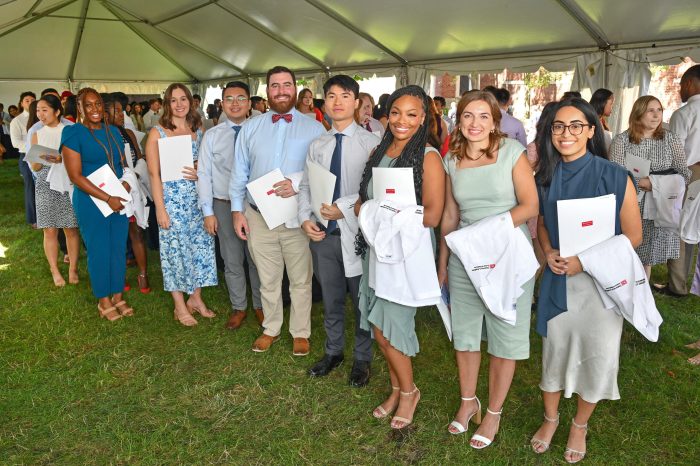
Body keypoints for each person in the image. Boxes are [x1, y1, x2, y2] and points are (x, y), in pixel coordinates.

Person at [530, 98, 642, 463]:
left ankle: (579, 424)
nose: (566, 133)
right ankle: (550, 418)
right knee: (554, 353)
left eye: (576, 125)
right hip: (559, 278)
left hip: (602, 284)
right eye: (559, 126)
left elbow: (634, 235)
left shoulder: (614, 175)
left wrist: (585, 261)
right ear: (551, 132)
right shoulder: (544, 176)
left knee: (597, 354)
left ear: (592, 130)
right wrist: (547, 253)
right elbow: (543, 226)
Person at [438, 91, 538, 447]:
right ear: (458, 121)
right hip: (466, 257)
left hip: (507, 256)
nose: (475, 123)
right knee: (464, 337)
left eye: (483, 116)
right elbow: (450, 214)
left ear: (495, 121)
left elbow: (530, 205)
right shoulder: (452, 158)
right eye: (467, 116)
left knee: (503, 338)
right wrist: (444, 262)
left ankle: (493, 413)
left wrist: (487, 232)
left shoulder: (512, 152)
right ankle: (469, 403)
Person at [355, 85, 445, 429]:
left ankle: (409, 392)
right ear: (387, 114)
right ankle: (396, 389)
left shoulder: (428, 156)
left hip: (404, 254)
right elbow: (365, 200)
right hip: (378, 250)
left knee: (389, 332)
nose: (401, 121)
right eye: (395, 113)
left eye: (411, 114)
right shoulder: (381, 151)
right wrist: (369, 208)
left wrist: (384, 213)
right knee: (377, 326)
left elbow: (433, 216)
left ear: (423, 118)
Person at [229, 65, 325, 355]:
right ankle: (271, 326)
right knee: (268, 278)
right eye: (275, 85)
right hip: (258, 215)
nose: (281, 90)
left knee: (300, 278)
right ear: (267, 90)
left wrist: (295, 182)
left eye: (286, 85)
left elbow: (320, 171)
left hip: (297, 215)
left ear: (294, 88)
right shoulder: (250, 128)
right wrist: (236, 211)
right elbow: (239, 172)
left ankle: (300, 331)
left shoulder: (315, 128)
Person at [299, 75, 380, 386]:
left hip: (357, 234)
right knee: (331, 298)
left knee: (361, 300)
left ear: (356, 102)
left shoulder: (372, 144)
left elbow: (375, 191)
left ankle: (362, 357)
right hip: (324, 236)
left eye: (344, 96)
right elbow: (306, 185)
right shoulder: (318, 144)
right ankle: (333, 351)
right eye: (331, 96)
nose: (337, 102)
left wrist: (344, 208)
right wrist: (306, 217)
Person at [146, 83, 217, 326]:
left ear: (191, 102)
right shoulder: (158, 133)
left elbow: (206, 165)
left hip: (197, 201)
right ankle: (179, 305)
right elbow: (154, 174)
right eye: (174, 100)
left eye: (183, 99)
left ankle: (196, 298)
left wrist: (200, 169)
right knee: (174, 253)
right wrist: (160, 208)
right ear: (167, 104)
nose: (179, 104)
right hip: (171, 203)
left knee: (199, 250)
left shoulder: (198, 129)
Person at [60, 88, 132, 321]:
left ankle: (118, 295)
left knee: (118, 248)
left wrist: (126, 185)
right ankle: (103, 300)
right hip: (92, 200)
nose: (95, 109)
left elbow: (121, 163)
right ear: (79, 108)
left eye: (98, 104)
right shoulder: (73, 133)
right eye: (88, 105)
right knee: (99, 249)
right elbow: (75, 176)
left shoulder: (112, 131)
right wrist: (107, 198)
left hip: (117, 198)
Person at [197, 81, 263, 330]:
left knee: (257, 257)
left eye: (241, 98)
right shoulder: (212, 135)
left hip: (254, 204)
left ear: (250, 103)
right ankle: (239, 306)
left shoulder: (259, 131)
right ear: (222, 103)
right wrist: (208, 212)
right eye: (229, 99)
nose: (235, 103)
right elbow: (204, 174)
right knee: (232, 258)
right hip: (223, 204)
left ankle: (260, 305)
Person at [609, 96, 690, 278]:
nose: (656, 115)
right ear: (638, 113)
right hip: (631, 204)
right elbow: (615, 177)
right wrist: (639, 183)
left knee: (648, 255)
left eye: (659, 110)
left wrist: (654, 183)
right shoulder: (622, 141)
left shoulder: (670, 139)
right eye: (650, 111)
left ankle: (643, 291)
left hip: (660, 205)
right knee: (628, 249)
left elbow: (684, 174)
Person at [655, 64, 700, 301]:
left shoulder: (684, 113)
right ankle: (687, 281)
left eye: (682, 84)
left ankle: (678, 285)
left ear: (691, 84)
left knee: (679, 226)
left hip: (690, 173)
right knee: (694, 227)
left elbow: (675, 152)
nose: (680, 89)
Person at [29, 94, 80, 287]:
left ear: (57, 111)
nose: (40, 114)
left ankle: (73, 268)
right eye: (38, 111)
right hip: (44, 182)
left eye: (44, 110)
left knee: (71, 227)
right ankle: (54, 270)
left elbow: (78, 157)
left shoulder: (69, 130)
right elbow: (34, 167)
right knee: (50, 229)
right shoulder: (36, 133)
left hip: (67, 179)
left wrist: (62, 158)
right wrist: (42, 158)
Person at [104, 94, 151, 293]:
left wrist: (134, 176)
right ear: (105, 114)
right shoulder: (102, 136)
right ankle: (119, 276)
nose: (121, 115)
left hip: (131, 188)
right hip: (111, 191)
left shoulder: (129, 134)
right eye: (116, 111)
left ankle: (143, 274)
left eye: (122, 111)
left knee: (137, 233)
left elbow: (140, 159)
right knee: (116, 236)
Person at [10, 91, 37, 226]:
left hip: (43, 155)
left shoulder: (41, 116)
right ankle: (33, 219)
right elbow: (15, 143)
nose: (30, 102)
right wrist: (33, 148)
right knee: (30, 186)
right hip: (26, 156)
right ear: (21, 103)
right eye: (27, 100)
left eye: (33, 99)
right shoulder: (17, 120)